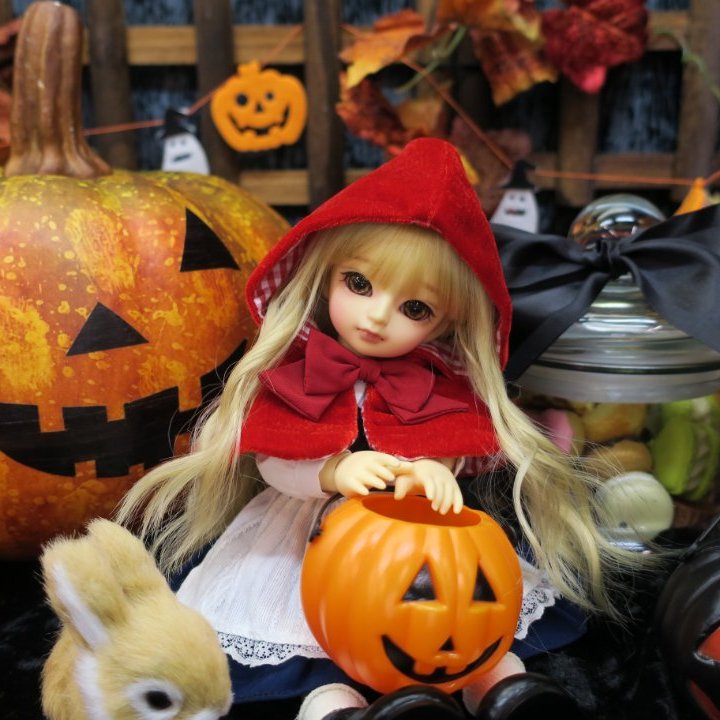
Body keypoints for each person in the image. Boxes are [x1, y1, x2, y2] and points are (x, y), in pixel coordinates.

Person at [117, 138, 643, 720]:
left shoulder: (439, 384)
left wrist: (437, 469)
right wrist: (331, 471)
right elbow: (272, 461)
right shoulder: (299, 376)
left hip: (421, 541)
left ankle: (501, 688)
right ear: (325, 275)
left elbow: (455, 438)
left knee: (464, 616)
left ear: (446, 322)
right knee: (308, 630)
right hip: (304, 538)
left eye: (415, 309)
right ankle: (332, 705)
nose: (376, 316)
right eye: (359, 284)